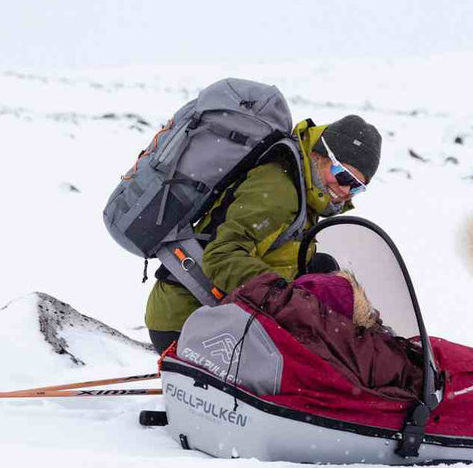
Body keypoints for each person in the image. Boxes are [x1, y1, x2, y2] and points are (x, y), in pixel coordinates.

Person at [144, 114, 383, 354]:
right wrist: (289, 298)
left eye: (357, 187)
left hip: (219, 314)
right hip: (186, 322)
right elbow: (221, 256)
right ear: (318, 154)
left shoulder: (305, 188)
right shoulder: (279, 190)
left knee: (323, 269)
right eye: (343, 176)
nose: (345, 190)